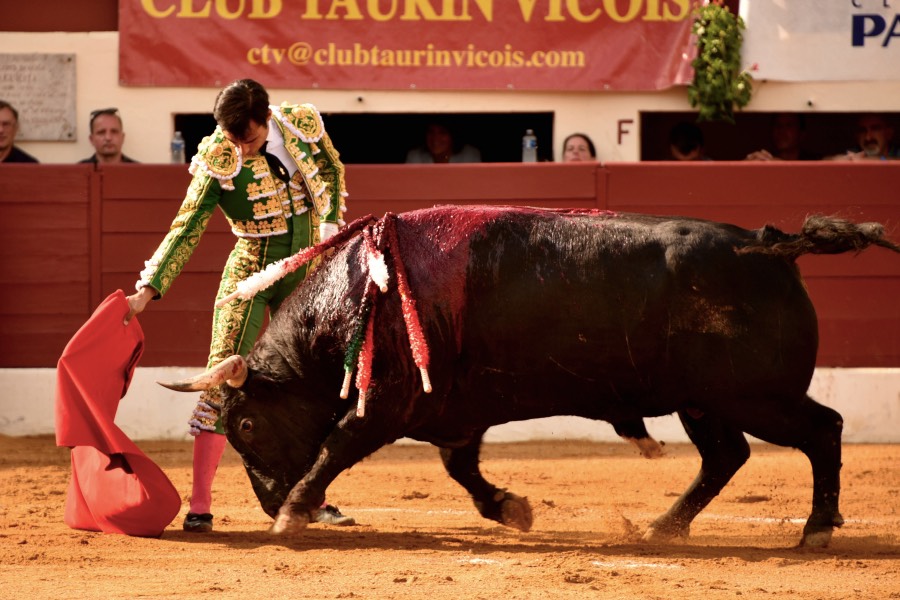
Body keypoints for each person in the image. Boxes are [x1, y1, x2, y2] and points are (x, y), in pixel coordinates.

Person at [124, 79, 355, 533]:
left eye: (247, 138)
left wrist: (329, 225)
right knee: (219, 380)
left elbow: (330, 168)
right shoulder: (218, 156)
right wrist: (147, 289)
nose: (241, 149)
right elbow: (187, 226)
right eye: (232, 139)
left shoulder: (300, 124)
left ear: (267, 118)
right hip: (249, 274)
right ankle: (200, 506)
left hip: (304, 272)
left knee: (310, 389)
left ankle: (314, 498)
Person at [745, 113, 821, 161]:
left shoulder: (813, 161)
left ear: (801, 134)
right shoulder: (765, 158)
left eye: (788, 126)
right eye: (778, 125)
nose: (781, 131)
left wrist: (777, 163)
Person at [826, 113, 899, 161]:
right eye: (862, 130)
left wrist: (869, 160)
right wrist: (838, 159)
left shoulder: (897, 152)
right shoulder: (855, 152)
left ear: (888, 133)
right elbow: (825, 159)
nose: (868, 137)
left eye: (875, 129)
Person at [405, 121, 481, 163]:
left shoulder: (470, 155)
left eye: (442, 133)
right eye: (431, 132)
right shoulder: (415, 156)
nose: (435, 138)